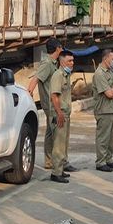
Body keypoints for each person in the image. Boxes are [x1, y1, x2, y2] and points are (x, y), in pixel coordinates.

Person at [28, 38, 78, 172]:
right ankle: (60, 162)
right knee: (59, 135)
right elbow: (36, 78)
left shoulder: (55, 64)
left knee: (51, 132)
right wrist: (29, 93)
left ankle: (50, 161)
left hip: (54, 103)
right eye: (61, 47)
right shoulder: (47, 64)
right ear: (58, 48)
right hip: (52, 104)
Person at [92, 49, 113, 172]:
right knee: (103, 137)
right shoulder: (99, 73)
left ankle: (108, 159)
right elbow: (109, 94)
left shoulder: (111, 72)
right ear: (106, 59)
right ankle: (100, 162)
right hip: (103, 110)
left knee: (111, 137)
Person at [49, 50, 75, 183]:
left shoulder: (66, 75)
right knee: (58, 145)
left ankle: (61, 169)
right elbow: (54, 95)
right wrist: (59, 113)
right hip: (60, 114)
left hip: (65, 114)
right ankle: (56, 172)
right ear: (62, 61)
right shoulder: (58, 75)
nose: (72, 63)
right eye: (69, 61)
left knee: (64, 143)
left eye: (72, 61)